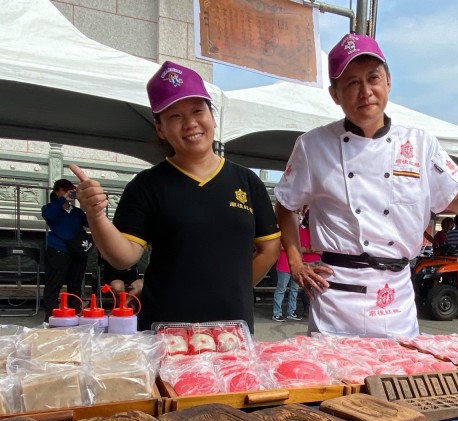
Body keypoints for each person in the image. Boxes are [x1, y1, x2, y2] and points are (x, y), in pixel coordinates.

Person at [273, 33, 458, 338]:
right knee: (337, 382)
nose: (365, 92)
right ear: (335, 94)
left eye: (373, 78)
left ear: (388, 81)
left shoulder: (419, 143)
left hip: (396, 297)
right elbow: (285, 203)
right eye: (352, 83)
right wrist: (295, 263)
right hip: (336, 298)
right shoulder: (312, 146)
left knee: (398, 382)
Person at [72, 61, 280, 332]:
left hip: (232, 329)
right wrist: (96, 214)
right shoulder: (146, 185)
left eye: (198, 110)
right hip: (166, 328)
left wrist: (232, 290)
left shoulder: (247, 181)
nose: (191, 123)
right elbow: (123, 257)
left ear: (212, 117)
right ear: (160, 128)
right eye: (175, 116)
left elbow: (269, 249)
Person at [41, 178, 89, 320]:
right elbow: (48, 216)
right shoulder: (50, 208)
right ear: (57, 192)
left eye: (71, 190)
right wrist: (62, 200)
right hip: (57, 250)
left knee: (75, 286)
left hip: (77, 252)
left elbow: (91, 223)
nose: (69, 192)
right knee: (53, 285)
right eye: (64, 189)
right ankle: (50, 316)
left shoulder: (77, 212)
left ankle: (74, 314)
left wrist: (88, 205)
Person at [272, 244, 302, 322]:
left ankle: (291, 312)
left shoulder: (300, 233)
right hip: (284, 265)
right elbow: (279, 247)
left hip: (296, 266)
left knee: (294, 289)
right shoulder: (283, 234)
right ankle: (277, 313)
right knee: (281, 289)